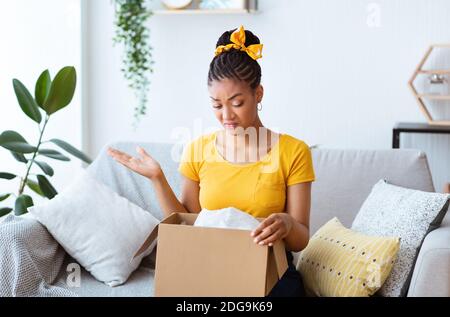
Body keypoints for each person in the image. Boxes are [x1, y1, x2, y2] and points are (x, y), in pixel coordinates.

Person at [107, 25, 315, 297]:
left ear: (258, 94)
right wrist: (157, 179)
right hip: (209, 265)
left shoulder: (294, 151)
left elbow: (300, 239)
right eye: (217, 105)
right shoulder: (198, 149)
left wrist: (286, 224)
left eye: (237, 102)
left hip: (268, 270)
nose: (226, 114)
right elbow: (190, 223)